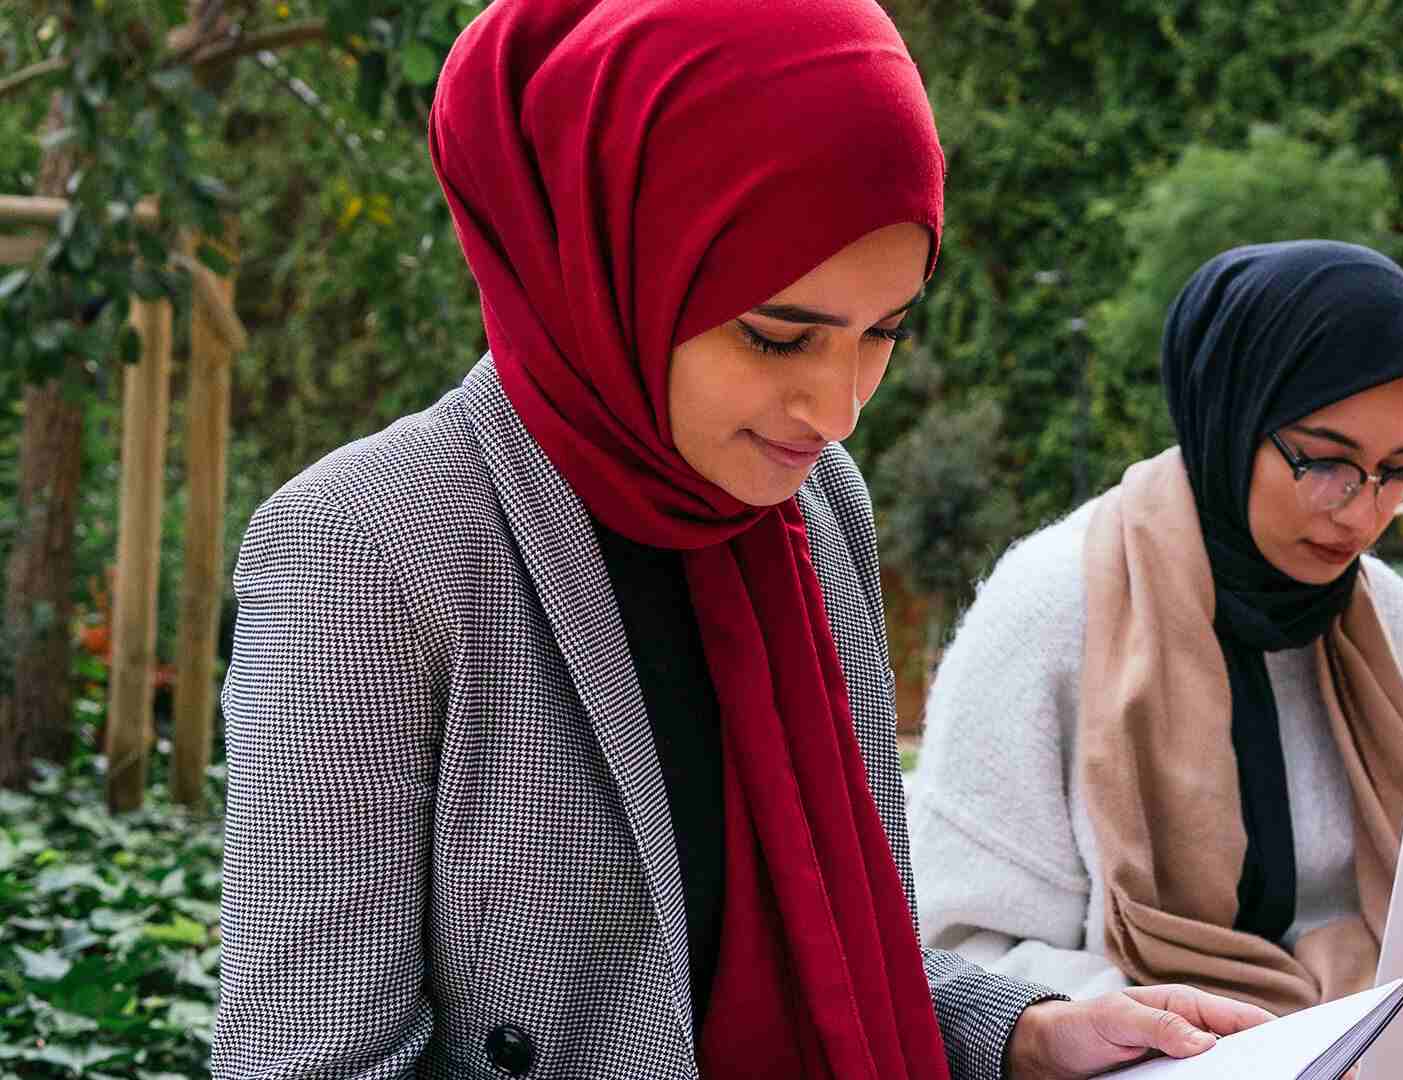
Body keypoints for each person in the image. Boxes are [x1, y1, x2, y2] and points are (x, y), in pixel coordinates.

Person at [209, 2, 1267, 1077]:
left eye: (882, 333)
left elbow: (828, 955)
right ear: (612, 265)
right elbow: (311, 1060)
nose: (838, 406)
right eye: (776, 335)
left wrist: (1027, 1035)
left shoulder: (811, 510)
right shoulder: (368, 547)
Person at [912, 240, 1403, 1016]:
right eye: (1326, 462)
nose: (1362, 511)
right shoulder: (1051, 607)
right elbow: (954, 949)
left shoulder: (1388, 620)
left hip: (1360, 1045)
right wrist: (1182, 1033)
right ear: (1230, 418)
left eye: (1399, 470)